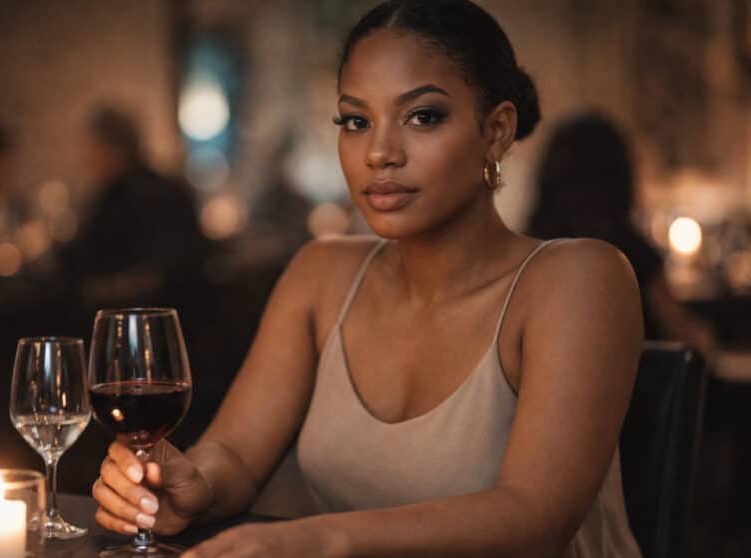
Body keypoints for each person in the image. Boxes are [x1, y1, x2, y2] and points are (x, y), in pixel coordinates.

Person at [92, 1, 644, 556]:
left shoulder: (579, 281)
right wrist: (192, 484)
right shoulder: (321, 275)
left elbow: (533, 515)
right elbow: (233, 454)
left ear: (496, 131)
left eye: (423, 116)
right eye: (356, 121)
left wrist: (315, 539)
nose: (379, 153)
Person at [528, 111, 717, 364]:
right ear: (621, 177)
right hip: (635, 399)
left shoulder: (530, 254)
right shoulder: (630, 253)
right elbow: (687, 338)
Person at [59, 106, 208, 309]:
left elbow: (84, 260)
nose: (87, 159)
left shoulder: (118, 196)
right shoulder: (171, 187)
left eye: (92, 149)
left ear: (110, 149)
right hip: (188, 310)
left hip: (128, 311)